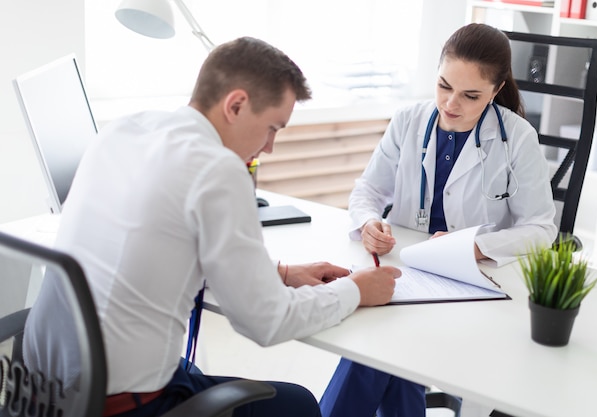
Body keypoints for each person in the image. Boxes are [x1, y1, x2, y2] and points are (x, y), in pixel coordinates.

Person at [22, 36, 401, 417]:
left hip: (41, 391)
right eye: (272, 127)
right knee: (297, 405)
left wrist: (283, 273)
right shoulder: (218, 170)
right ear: (235, 105)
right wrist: (355, 290)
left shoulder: (124, 131)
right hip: (119, 406)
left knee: (195, 373)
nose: (269, 146)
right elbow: (267, 322)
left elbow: (158, 244)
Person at [319, 23, 557, 417]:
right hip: (408, 270)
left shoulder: (517, 137)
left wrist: (475, 247)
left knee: (377, 348)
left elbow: (541, 228)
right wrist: (368, 223)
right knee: (388, 347)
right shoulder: (409, 120)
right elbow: (369, 191)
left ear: (496, 91)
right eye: (444, 85)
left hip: (472, 285)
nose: (450, 104)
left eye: (470, 95)